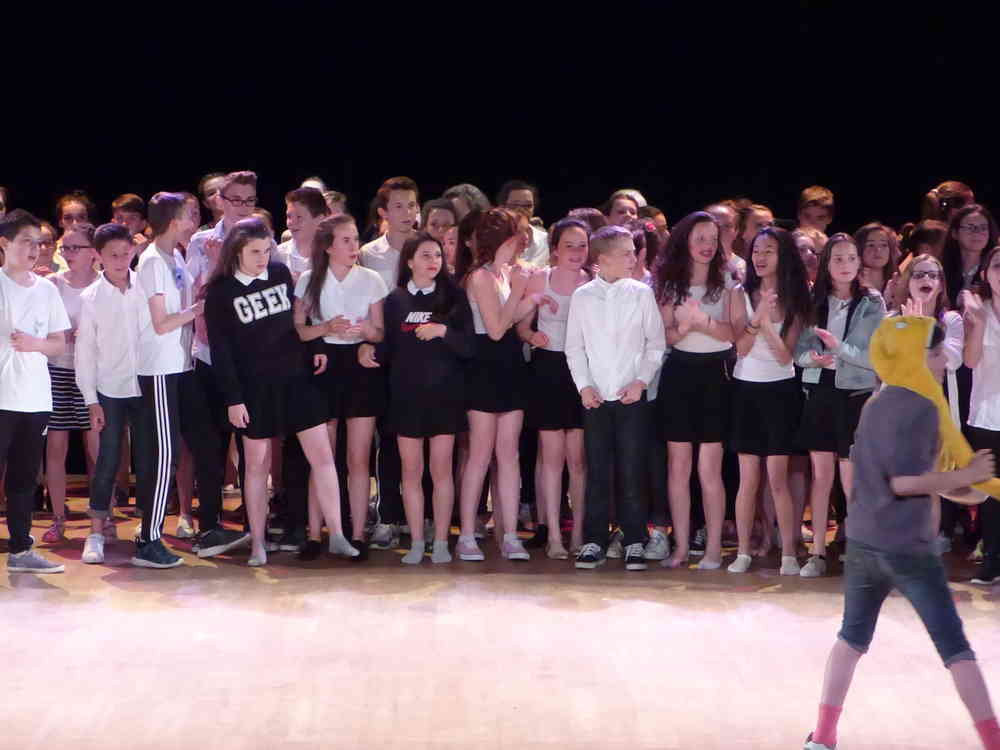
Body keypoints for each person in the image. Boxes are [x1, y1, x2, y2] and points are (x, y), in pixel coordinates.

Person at [804, 315, 1000, 750]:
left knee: (851, 639)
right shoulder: (923, 408)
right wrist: (966, 476)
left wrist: (960, 485)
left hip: (864, 541)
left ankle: (823, 736)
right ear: (916, 357)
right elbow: (905, 482)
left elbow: (900, 476)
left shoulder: (875, 402)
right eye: (936, 352)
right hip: (906, 547)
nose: (943, 360)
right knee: (955, 649)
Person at [202, 217, 355, 566]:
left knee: (323, 456)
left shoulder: (280, 273)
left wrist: (315, 347)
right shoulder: (221, 292)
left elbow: (297, 322)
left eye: (266, 251)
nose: (262, 258)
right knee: (256, 466)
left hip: (296, 379)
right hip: (254, 389)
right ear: (236, 252)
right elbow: (221, 352)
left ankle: (338, 535)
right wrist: (233, 399)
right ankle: (258, 542)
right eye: (254, 252)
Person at [133, 192, 247, 568]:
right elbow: (161, 322)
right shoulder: (152, 261)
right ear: (172, 221)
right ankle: (148, 539)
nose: (193, 222)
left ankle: (203, 529)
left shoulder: (176, 257)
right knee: (165, 454)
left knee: (197, 445)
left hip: (182, 366)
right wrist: (197, 309)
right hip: (159, 369)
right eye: (188, 216)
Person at [359, 232, 475, 564]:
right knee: (410, 473)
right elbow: (387, 348)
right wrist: (367, 348)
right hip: (406, 398)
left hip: (445, 396)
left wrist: (443, 331)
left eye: (437, 255)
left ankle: (441, 541)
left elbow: (469, 346)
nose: (433, 261)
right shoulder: (395, 300)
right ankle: (416, 541)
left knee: (441, 472)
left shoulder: (454, 297)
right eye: (425, 255)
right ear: (409, 261)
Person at [568, 225, 665, 570]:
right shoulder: (583, 297)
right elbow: (574, 347)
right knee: (597, 470)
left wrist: (641, 381)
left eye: (633, 252)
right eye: (626, 253)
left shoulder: (641, 294)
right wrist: (584, 386)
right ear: (604, 258)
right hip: (596, 398)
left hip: (631, 397)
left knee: (632, 469)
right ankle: (594, 539)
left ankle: (634, 539)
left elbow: (655, 343)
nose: (633, 258)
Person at [295, 214, 387, 558]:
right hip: (324, 365)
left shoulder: (371, 279)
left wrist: (367, 333)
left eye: (355, 239)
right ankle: (314, 534)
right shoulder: (310, 279)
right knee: (323, 457)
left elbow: (380, 331)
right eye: (346, 240)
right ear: (328, 246)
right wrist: (325, 328)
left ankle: (358, 534)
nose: (353, 246)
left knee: (358, 457)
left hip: (360, 367)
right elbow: (299, 329)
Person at [795, 233, 885, 577]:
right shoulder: (813, 300)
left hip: (855, 394)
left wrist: (837, 349)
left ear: (859, 262)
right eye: (838, 259)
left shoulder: (871, 302)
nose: (845, 265)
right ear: (826, 264)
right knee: (821, 477)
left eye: (851, 258)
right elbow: (799, 353)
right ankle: (817, 552)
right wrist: (813, 359)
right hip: (820, 391)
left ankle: (863, 551)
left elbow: (874, 357)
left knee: (852, 478)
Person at [456, 208, 538, 561]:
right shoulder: (480, 276)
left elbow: (509, 320)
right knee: (479, 455)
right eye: (518, 232)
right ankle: (467, 535)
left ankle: (510, 536)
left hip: (509, 364)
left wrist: (532, 299)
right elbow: (494, 328)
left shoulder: (505, 272)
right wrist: (520, 291)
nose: (524, 239)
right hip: (484, 366)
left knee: (509, 454)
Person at [727, 227, 811, 574]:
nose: (760, 257)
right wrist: (756, 317)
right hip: (746, 389)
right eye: (756, 250)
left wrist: (764, 322)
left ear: (783, 255)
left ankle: (788, 553)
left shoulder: (796, 297)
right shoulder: (738, 293)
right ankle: (743, 552)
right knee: (748, 478)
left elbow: (785, 355)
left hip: (781, 391)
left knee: (777, 479)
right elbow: (741, 348)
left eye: (769, 251)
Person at [656, 211, 736, 569]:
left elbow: (732, 333)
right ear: (685, 240)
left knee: (709, 469)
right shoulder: (670, 284)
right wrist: (684, 328)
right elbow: (665, 335)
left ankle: (714, 548)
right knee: (678, 467)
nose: (707, 245)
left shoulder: (727, 282)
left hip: (715, 375)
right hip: (679, 373)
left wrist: (701, 321)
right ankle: (680, 546)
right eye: (700, 238)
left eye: (713, 239)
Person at [0, 209, 70, 573]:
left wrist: (35, 344)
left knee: (24, 478)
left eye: (38, 242)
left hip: (35, 398)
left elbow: (59, 343)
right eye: (25, 241)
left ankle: (21, 550)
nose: (34, 249)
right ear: (4, 243)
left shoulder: (47, 290)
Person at [517, 218, 591, 558]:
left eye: (582, 245)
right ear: (555, 249)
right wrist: (533, 335)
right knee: (551, 459)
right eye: (569, 245)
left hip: (581, 371)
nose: (576, 252)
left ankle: (578, 534)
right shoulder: (540, 278)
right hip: (547, 369)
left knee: (577, 460)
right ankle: (554, 537)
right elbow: (521, 327)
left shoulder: (592, 281)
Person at [75, 224, 147, 563]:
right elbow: (85, 353)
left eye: (125, 253)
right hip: (110, 389)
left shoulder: (145, 286)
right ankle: (96, 531)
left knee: (149, 458)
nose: (120, 260)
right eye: (112, 255)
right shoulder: (91, 298)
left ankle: (149, 527)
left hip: (146, 385)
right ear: (98, 256)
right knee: (107, 459)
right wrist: (91, 400)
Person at [360, 177, 419, 549]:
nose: (407, 213)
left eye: (412, 205)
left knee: (420, 437)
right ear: (383, 212)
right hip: (384, 356)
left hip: (422, 357)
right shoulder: (369, 254)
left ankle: (420, 517)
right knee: (388, 438)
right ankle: (388, 515)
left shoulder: (426, 248)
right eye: (398, 206)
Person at [42, 222, 100, 543]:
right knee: (56, 446)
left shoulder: (104, 284)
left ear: (93, 252)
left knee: (97, 448)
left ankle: (102, 515)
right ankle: (58, 517)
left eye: (75, 247)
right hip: (57, 370)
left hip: (92, 373)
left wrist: (90, 336)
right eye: (65, 247)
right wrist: (58, 335)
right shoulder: (52, 284)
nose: (68, 253)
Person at [960, 243, 1000, 586]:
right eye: (998, 266)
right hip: (987, 413)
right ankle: (992, 559)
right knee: (990, 493)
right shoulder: (978, 310)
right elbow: (970, 360)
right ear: (986, 273)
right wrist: (979, 322)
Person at [277, 186, 330, 283]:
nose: (291, 222)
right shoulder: (278, 255)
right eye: (289, 216)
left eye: (299, 217)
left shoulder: (333, 255)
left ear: (320, 219)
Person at [498, 180, 549, 267]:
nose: (521, 210)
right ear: (502, 207)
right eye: (514, 205)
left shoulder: (545, 240)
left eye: (528, 206)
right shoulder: (495, 239)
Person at [706, 201, 746, 283]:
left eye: (727, 226)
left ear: (736, 231)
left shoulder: (745, 269)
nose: (719, 231)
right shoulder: (685, 266)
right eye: (713, 224)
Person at [856, 221, 899, 296]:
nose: (878, 250)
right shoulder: (851, 286)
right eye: (871, 245)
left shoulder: (898, 283)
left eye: (883, 245)